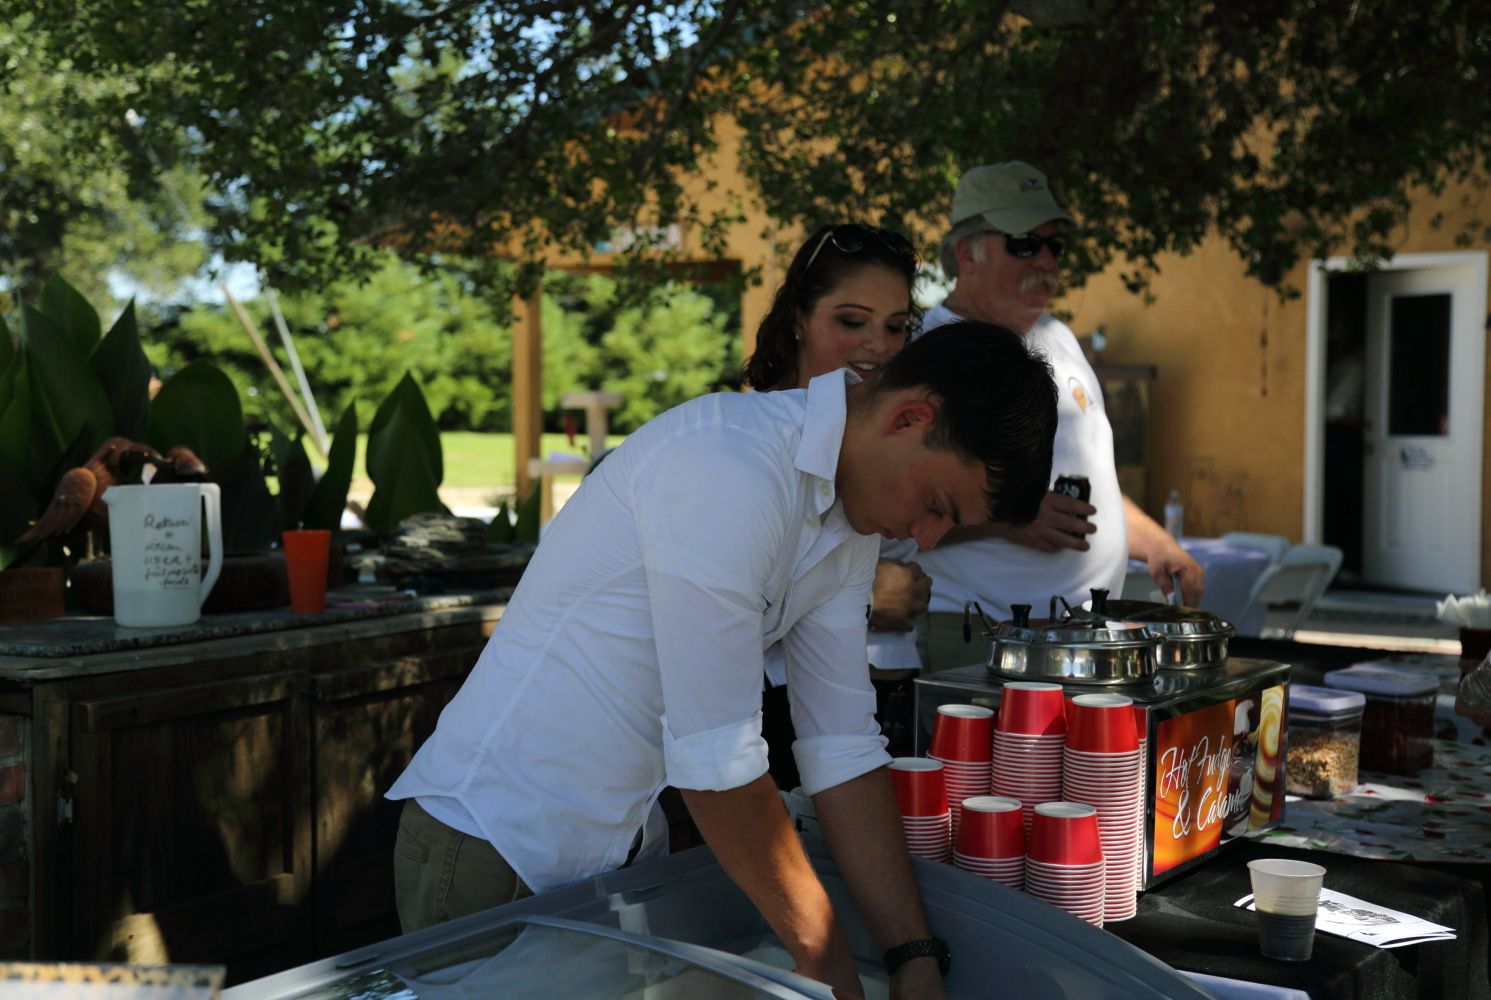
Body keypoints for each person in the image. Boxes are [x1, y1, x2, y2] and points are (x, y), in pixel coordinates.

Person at [388, 323, 1059, 1000]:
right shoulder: (728, 466)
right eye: (937, 506)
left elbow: (842, 745)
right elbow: (717, 762)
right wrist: (829, 971)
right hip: (493, 845)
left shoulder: (848, 518)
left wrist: (913, 954)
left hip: (609, 857)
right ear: (909, 417)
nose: (927, 537)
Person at [912, 161, 1205, 671]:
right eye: (1025, 243)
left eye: (1055, 246)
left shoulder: (1059, 338)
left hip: (1078, 639)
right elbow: (890, 505)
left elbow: (1095, 481)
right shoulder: (925, 354)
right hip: (982, 637)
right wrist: (1008, 519)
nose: (1045, 261)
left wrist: (1155, 543)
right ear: (967, 253)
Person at [742, 223, 933, 784]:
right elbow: (708, 608)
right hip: (769, 710)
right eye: (851, 321)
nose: (877, 343)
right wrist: (867, 595)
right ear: (798, 317)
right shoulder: (751, 443)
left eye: (896, 327)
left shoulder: (889, 432)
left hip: (880, 690)